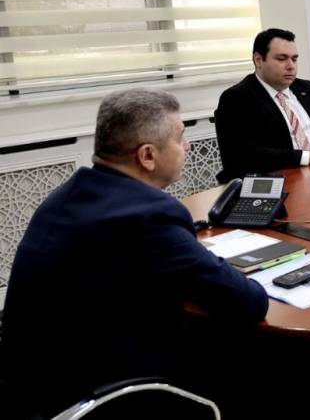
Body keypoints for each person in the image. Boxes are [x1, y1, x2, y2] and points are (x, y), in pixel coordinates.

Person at [0, 89, 269, 418]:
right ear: (147, 156)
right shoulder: (150, 216)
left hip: (32, 386)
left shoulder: (68, 194)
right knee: (256, 362)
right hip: (100, 397)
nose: (187, 146)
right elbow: (247, 301)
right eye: (179, 137)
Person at [214, 28, 310, 182]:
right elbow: (244, 156)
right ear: (258, 60)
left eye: (294, 59)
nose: (291, 66)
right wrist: (308, 157)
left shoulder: (307, 88)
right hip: (281, 180)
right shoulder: (237, 98)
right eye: (282, 59)